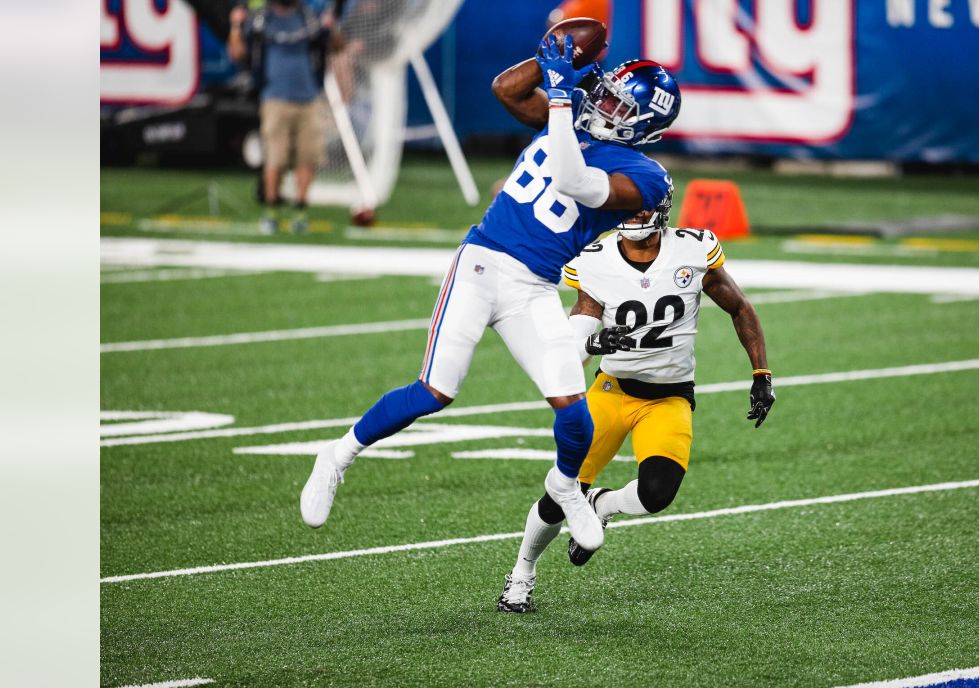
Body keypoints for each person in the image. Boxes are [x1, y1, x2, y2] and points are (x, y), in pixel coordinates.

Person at [299, 37, 684, 562]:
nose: (605, 105)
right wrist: (556, 62)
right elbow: (506, 87)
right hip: (481, 263)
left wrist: (562, 93)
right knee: (436, 390)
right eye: (607, 94)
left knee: (574, 412)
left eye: (620, 105)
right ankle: (337, 455)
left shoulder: (645, 176)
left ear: (643, 126)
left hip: (533, 285)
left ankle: (567, 486)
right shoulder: (569, 112)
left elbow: (573, 180)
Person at [496, 187, 775, 613]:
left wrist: (761, 373)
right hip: (612, 391)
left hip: (669, 397)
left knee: (657, 493)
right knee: (559, 497)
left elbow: (739, 307)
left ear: (662, 209)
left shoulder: (693, 251)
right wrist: (595, 339)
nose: (632, 214)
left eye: (641, 204)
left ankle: (603, 504)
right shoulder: (596, 258)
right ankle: (522, 574)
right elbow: (575, 343)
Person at [228, 1, 334, 234]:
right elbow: (237, 53)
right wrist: (236, 26)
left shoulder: (309, 18)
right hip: (274, 98)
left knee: (307, 157)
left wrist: (331, 29)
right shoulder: (261, 20)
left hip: (309, 98)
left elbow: (334, 46)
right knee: (275, 158)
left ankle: (300, 212)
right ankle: (272, 210)